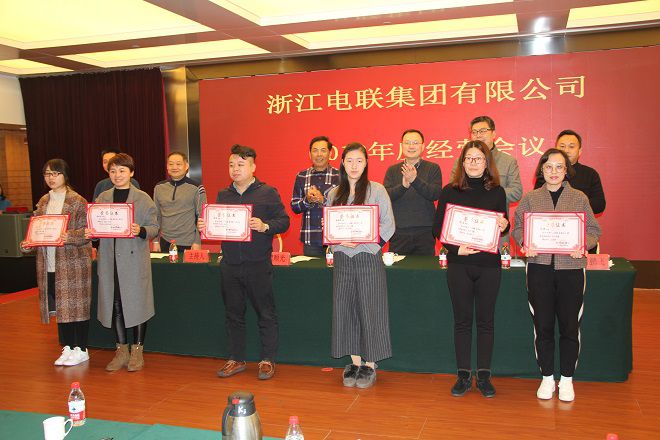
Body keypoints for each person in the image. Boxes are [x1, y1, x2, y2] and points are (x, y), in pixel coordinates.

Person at [512, 148, 601, 402]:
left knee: (570, 325)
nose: (553, 172)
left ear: (566, 170)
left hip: (571, 269)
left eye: (559, 167)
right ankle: (547, 377)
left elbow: (594, 230)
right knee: (542, 325)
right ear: (541, 169)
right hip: (538, 268)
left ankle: (567, 379)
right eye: (548, 166)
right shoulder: (531, 198)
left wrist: (583, 244)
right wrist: (524, 243)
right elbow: (518, 227)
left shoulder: (579, 197)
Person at [198, 145, 289, 380]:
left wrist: (265, 226)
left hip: (258, 264)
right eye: (231, 165)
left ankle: (267, 360)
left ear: (253, 167)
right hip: (230, 264)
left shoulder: (267, 192)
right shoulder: (223, 195)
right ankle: (236, 358)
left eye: (240, 164)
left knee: (265, 313)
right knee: (233, 314)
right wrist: (205, 225)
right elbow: (218, 225)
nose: (235, 169)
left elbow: (284, 221)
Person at [432, 141, 509, 398]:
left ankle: (484, 376)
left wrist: (505, 225)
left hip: (489, 265)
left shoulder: (497, 192)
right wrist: (456, 250)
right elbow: (437, 228)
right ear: (462, 162)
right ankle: (463, 376)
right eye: (469, 158)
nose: (473, 163)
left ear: (487, 163)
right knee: (462, 322)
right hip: (459, 265)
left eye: (479, 158)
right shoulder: (449, 191)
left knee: (486, 322)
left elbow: (503, 225)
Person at [326, 142, 395, 389]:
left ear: (366, 164)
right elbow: (329, 227)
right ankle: (355, 362)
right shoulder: (334, 194)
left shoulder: (377, 190)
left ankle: (370, 364)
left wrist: (366, 242)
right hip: (343, 258)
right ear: (342, 163)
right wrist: (337, 240)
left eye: (359, 161)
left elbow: (388, 224)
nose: (354, 165)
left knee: (371, 308)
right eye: (349, 160)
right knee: (345, 309)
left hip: (368, 256)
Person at [87, 153, 158, 372]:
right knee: (115, 304)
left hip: (133, 262)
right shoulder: (102, 198)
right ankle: (121, 350)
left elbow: (155, 227)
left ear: (131, 173)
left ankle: (137, 351)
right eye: (113, 171)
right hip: (109, 261)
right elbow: (95, 228)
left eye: (122, 170)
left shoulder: (143, 198)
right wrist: (92, 233)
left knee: (137, 305)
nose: (117, 175)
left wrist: (141, 230)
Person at [21, 159, 92, 366]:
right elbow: (37, 230)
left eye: (55, 173)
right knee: (61, 308)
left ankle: (82, 349)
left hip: (73, 263)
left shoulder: (77, 200)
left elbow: (89, 232)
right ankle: (68, 347)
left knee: (77, 307)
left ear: (65, 175)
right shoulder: (43, 201)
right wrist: (28, 242)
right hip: (49, 263)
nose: (51, 178)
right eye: (47, 174)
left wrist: (68, 236)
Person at [534, 130, 605, 252]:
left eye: (571, 146)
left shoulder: (590, 174)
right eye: (562, 146)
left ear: (580, 151)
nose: (566, 150)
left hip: (580, 240)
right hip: (549, 238)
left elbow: (599, 204)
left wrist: (573, 205)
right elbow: (536, 205)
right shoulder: (547, 175)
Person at [384, 129, 442, 255]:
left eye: (415, 143)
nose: (411, 146)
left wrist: (414, 180)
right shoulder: (392, 170)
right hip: (399, 231)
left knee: (425, 266)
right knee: (398, 266)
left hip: (425, 231)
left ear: (423, 146)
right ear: (401, 146)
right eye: (407, 143)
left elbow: (435, 194)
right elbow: (386, 196)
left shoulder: (433, 168)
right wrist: (403, 186)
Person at [290, 136, 340, 257]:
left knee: (337, 269)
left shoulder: (340, 176)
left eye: (323, 150)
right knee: (312, 269)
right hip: (310, 239)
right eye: (315, 150)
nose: (319, 154)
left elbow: (346, 207)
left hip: (336, 238)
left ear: (330, 153)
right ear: (310, 154)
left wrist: (323, 200)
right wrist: (307, 200)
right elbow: (294, 206)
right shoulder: (301, 176)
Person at [153, 151, 206, 252]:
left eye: (178, 164)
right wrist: (155, 241)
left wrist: (197, 242)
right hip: (165, 241)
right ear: (167, 166)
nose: (174, 167)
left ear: (186, 166)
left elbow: (201, 217)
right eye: (171, 164)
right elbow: (156, 215)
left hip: (189, 242)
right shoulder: (159, 187)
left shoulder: (197, 188)